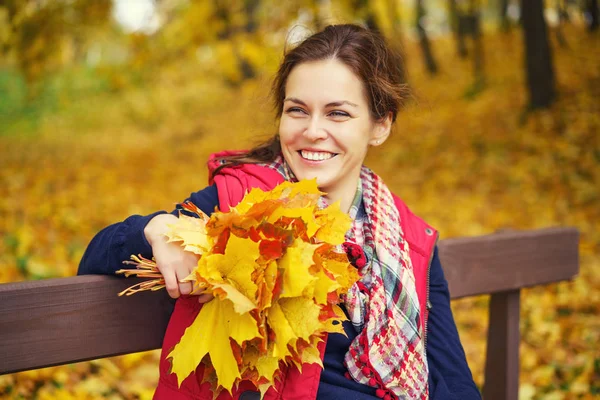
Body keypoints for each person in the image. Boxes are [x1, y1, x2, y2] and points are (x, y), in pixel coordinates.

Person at [79, 24, 481, 400]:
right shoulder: (240, 204)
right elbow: (95, 258)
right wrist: (155, 228)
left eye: (337, 113)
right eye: (297, 110)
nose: (312, 131)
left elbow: (452, 377)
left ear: (380, 126)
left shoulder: (409, 239)